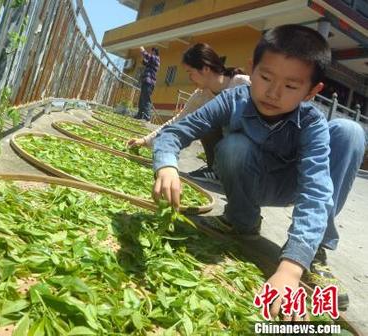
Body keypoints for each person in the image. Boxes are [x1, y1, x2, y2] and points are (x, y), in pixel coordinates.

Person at [151, 24, 365, 318]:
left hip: (294, 186)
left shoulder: (312, 124)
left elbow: (316, 190)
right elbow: (176, 132)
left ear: (312, 92)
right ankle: (242, 220)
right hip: (249, 182)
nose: (273, 93)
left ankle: (313, 249)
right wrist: (167, 165)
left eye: (291, 86)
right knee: (233, 146)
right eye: (265, 78)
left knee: (350, 131)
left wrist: (291, 268)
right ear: (251, 70)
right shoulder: (232, 99)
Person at [128, 43, 250, 185]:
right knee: (204, 119)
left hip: (251, 150)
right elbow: (179, 121)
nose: (190, 79)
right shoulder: (201, 96)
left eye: (190, 73)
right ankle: (218, 172)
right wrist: (145, 141)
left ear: (205, 68)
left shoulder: (243, 84)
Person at [135, 46, 160, 121]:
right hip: (146, 81)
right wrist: (143, 58)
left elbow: (148, 56)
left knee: (146, 98)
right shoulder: (151, 61)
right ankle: (139, 114)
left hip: (149, 82)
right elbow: (145, 62)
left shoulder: (156, 58)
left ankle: (147, 116)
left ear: (154, 52)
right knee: (142, 98)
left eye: (152, 51)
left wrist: (143, 51)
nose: (151, 53)